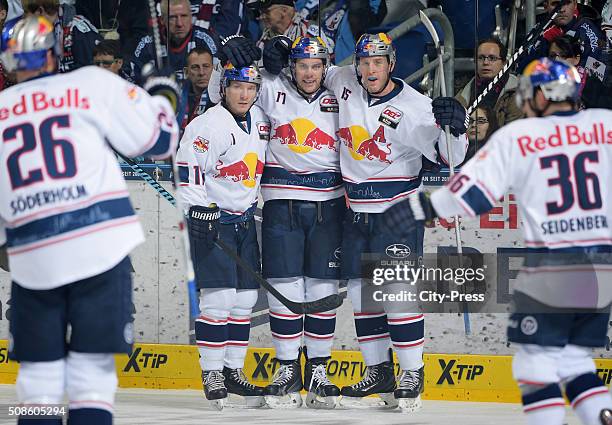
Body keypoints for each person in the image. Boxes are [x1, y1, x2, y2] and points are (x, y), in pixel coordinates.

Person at [383, 58, 612, 425]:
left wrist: (417, 207)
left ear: (541, 95)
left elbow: (470, 195)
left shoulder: (520, 136)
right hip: (601, 265)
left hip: (555, 261)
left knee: (534, 362)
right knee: (572, 359)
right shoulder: (606, 124)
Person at [263, 31, 468, 411]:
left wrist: (457, 126)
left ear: (391, 63)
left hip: (396, 213)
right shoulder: (343, 81)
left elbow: (447, 155)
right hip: (355, 212)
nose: (370, 69)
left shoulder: (416, 105)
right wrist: (275, 53)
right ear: (355, 64)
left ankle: (411, 372)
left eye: (378, 62)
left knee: (396, 295)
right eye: (364, 62)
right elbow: (307, 70)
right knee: (362, 296)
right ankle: (379, 372)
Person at [0, 15, 179, 425]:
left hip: (35, 258)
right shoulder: (89, 83)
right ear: (51, 55)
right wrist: (164, 95)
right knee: (92, 377)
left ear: (9, 62)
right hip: (100, 247)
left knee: (38, 380)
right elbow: (158, 141)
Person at [211, 35, 344, 409]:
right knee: (285, 288)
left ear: (325, 67)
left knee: (321, 288)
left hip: (329, 203)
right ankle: (287, 368)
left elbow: (375, 86)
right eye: (302, 65)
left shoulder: (341, 90)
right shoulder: (270, 87)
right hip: (281, 202)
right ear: (292, 66)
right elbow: (220, 95)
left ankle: (318, 370)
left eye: (316, 66)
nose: (309, 73)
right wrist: (233, 56)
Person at [176, 62, 269, 410]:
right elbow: (188, 172)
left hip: (244, 220)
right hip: (213, 221)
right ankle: (212, 372)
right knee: (218, 301)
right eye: (237, 87)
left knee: (244, 301)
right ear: (224, 89)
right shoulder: (206, 126)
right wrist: (197, 210)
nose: (244, 94)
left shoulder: (260, 121)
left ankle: (233, 371)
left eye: (250, 87)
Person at [127, 0, 218, 85]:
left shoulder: (205, 41)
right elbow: (134, 84)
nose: (179, 23)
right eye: (173, 17)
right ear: (162, 20)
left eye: (184, 16)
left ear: (191, 17)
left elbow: (217, 81)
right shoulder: (147, 45)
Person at [518, 0, 605, 76]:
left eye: (567, 3)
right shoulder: (539, 30)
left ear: (575, 5)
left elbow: (598, 73)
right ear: (546, 6)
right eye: (555, 4)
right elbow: (522, 68)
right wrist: (545, 43)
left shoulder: (589, 32)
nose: (562, 9)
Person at [456, 38, 523, 127]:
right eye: (481, 58)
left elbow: (513, 133)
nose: (485, 62)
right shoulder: (461, 91)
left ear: (504, 63)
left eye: (492, 58)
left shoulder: (518, 93)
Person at [21, 0, 103, 72]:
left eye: (26, 12)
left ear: (40, 11)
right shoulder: (45, 32)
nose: (25, 18)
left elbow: (89, 70)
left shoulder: (78, 29)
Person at [180, 46, 214, 130]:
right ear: (186, 72)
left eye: (206, 66)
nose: (201, 73)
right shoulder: (177, 97)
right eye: (195, 67)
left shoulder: (222, 99)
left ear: (213, 69)